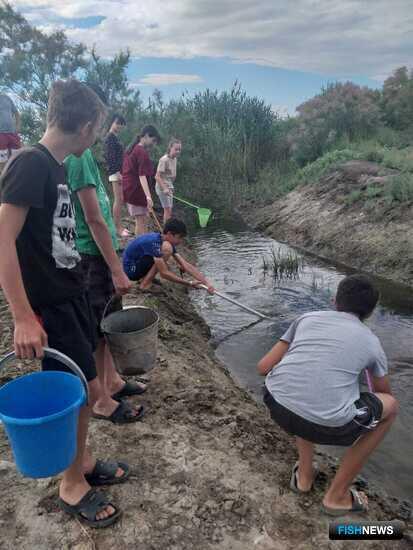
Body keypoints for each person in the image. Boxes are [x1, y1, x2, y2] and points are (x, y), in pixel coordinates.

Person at [0, 79, 128, 528]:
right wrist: (21, 317)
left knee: (85, 389)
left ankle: (84, 461)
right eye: (98, 128)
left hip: (71, 294)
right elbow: (2, 240)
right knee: (83, 393)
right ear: (89, 125)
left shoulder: (57, 166)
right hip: (50, 306)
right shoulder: (30, 164)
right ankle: (72, 485)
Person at [258, 274, 399, 516]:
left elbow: (263, 367)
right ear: (370, 312)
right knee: (392, 407)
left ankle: (304, 477)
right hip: (327, 426)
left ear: (335, 301)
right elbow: (382, 394)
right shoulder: (372, 342)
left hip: (276, 404)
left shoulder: (306, 318)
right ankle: (336, 496)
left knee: (307, 387)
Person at [65, 88, 146, 426]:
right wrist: (117, 269)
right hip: (92, 256)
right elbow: (93, 218)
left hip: (100, 252)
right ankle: (100, 399)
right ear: (88, 119)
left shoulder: (84, 155)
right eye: (100, 120)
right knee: (98, 328)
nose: (102, 129)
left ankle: (112, 381)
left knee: (109, 321)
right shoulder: (79, 156)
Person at [122, 217, 215, 293]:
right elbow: (164, 273)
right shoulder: (158, 244)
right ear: (170, 234)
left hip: (138, 265)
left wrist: (207, 283)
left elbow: (186, 265)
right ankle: (145, 284)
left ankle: (144, 279)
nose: (180, 241)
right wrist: (189, 283)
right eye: (179, 238)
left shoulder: (164, 240)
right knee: (166, 251)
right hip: (131, 270)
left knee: (164, 253)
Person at [122, 125, 161, 235]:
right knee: (140, 221)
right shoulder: (140, 151)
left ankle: (142, 245)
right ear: (147, 135)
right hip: (135, 191)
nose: (153, 144)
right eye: (153, 140)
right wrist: (148, 197)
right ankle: (140, 248)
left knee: (142, 220)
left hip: (130, 189)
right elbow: (142, 176)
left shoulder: (132, 149)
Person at [103, 113, 130, 238]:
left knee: (120, 199)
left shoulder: (115, 137)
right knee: (118, 200)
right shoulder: (109, 138)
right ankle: (117, 228)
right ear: (112, 122)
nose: (119, 126)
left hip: (119, 172)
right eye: (117, 123)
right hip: (115, 173)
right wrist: (117, 173)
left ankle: (118, 226)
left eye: (121, 124)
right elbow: (110, 157)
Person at [155, 138, 181, 224]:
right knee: (167, 210)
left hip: (169, 187)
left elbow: (171, 177)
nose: (178, 151)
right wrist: (165, 188)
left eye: (179, 149)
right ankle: (166, 232)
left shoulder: (175, 159)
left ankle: (167, 231)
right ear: (170, 148)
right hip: (161, 187)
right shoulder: (164, 160)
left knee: (169, 210)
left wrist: (171, 187)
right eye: (176, 149)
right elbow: (157, 177)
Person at [0, 93, 21, 173]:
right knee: (2, 159)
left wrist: (18, 126)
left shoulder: (6, 98)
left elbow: (16, 113)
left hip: (12, 133)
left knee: (17, 157)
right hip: (1, 134)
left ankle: (14, 177)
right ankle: (3, 180)